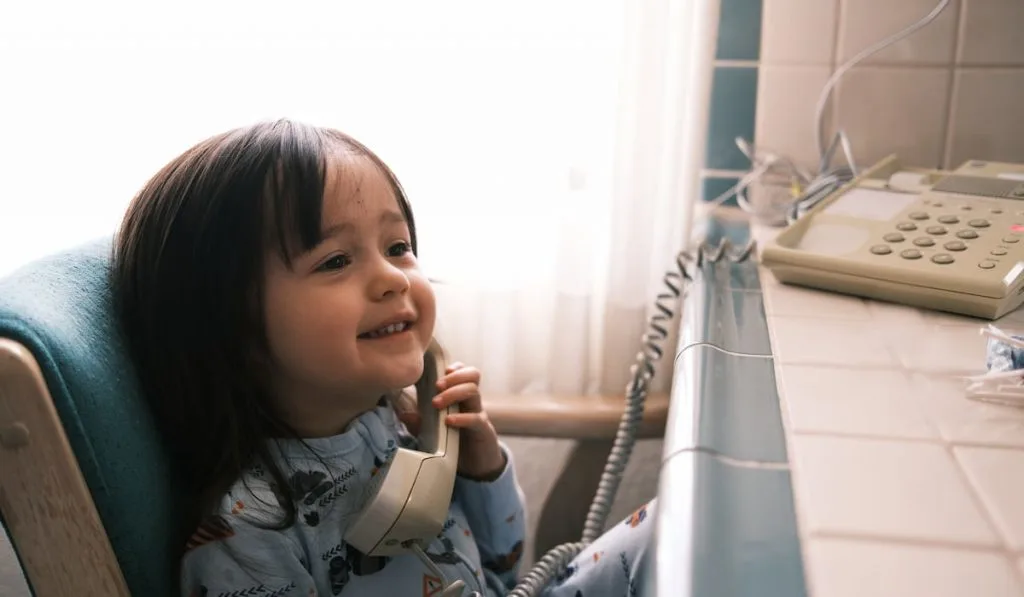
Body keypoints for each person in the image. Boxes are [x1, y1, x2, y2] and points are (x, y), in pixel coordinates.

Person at [111, 119, 655, 597]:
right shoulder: (248, 531)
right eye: (336, 260)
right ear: (231, 326)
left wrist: (481, 466)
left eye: (397, 247)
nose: (395, 277)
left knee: (672, 527)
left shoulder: (404, 430)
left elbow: (507, 566)